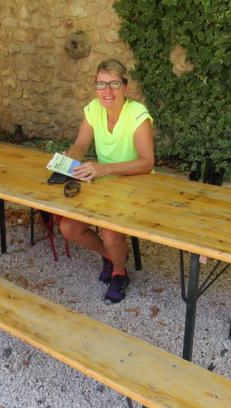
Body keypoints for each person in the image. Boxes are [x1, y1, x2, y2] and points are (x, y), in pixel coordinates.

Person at [59, 58, 155, 304]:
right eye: (101, 84)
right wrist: (68, 159)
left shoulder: (137, 114)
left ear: (125, 87)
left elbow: (147, 162)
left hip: (136, 187)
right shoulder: (94, 109)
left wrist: (105, 168)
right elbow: (81, 145)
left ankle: (119, 272)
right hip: (104, 185)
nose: (107, 90)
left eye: (114, 83)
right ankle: (113, 257)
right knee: (68, 228)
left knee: (109, 232)